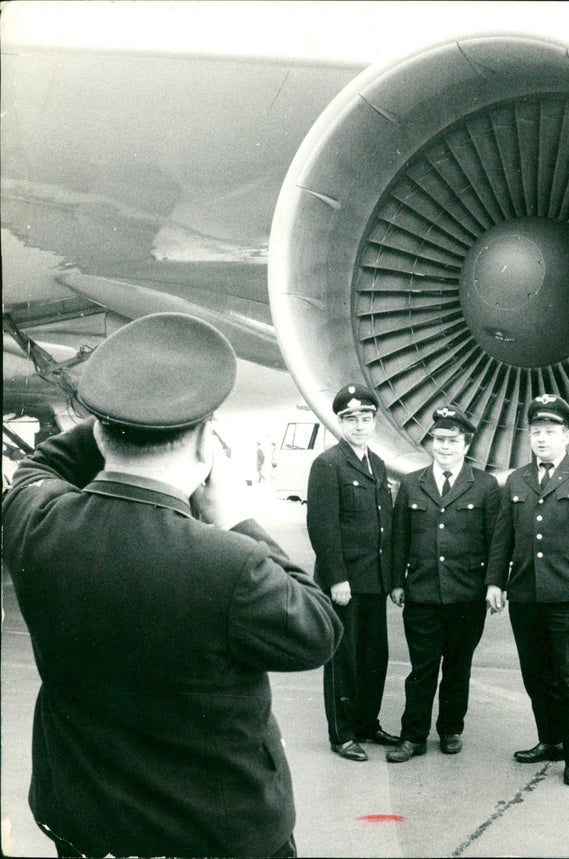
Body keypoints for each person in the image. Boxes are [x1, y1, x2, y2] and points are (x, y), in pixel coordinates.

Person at [2, 313, 343, 858]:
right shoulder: (232, 563)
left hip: (85, 824)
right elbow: (318, 631)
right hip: (214, 835)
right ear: (208, 440)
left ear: (101, 429)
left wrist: (119, 410)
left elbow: (41, 465)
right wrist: (236, 519)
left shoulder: (34, 521)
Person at [485, 394, 569, 786]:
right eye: (537, 432)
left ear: (566, 436)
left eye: (550, 432)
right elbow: (502, 538)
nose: (542, 439)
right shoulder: (516, 479)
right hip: (525, 595)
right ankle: (550, 740)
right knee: (536, 676)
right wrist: (495, 580)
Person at [387, 405, 500, 763]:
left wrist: (493, 584)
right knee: (421, 669)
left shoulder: (483, 485)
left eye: (452, 441)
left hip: (467, 595)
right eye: (439, 439)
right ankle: (413, 736)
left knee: (457, 666)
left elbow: (496, 541)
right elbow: (399, 537)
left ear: (466, 445)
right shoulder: (411, 483)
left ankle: (451, 730)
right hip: (422, 592)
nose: (445, 447)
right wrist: (396, 581)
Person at [306, 384, 400, 761]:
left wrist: (393, 580)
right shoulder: (328, 465)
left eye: (365, 418)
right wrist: (336, 578)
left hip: (374, 580)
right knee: (343, 660)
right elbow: (322, 526)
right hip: (346, 582)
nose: (359, 425)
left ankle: (367, 723)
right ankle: (342, 733)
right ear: (340, 423)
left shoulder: (375, 463)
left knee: (375, 656)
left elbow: (385, 526)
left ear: (374, 421)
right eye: (351, 419)